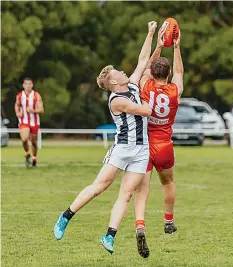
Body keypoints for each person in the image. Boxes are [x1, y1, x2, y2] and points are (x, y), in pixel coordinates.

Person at [53, 21, 157, 256]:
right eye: (117, 72)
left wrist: (150, 33)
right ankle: (66, 216)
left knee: (127, 194)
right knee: (100, 187)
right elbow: (147, 111)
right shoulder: (116, 100)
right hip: (122, 149)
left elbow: (143, 61)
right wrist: (154, 95)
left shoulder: (130, 84)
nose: (122, 71)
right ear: (112, 82)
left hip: (142, 150)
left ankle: (109, 235)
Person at [133, 28, 184, 257]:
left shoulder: (146, 85)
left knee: (141, 190)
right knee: (168, 182)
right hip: (164, 143)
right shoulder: (174, 91)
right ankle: (168, 221)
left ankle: (140, 225)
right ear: (169, 73)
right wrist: (176, 47)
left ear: (152, 73)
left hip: (144, 143)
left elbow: (143, 67)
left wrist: (159, 45)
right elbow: (180, 74)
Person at [14, 77, 44, 167]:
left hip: (34, 122)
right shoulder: (20, 95)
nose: (28, 86)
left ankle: (34, 158)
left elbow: (41, 110)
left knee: (34, 142)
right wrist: (17, 112)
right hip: (24, 121)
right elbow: (17, 104)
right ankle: (27, 154)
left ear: (32, 85)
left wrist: (33, 111)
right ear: (23, 85)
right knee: (24, 139)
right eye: (26, 84)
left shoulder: (36, 95)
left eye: (30, 84)